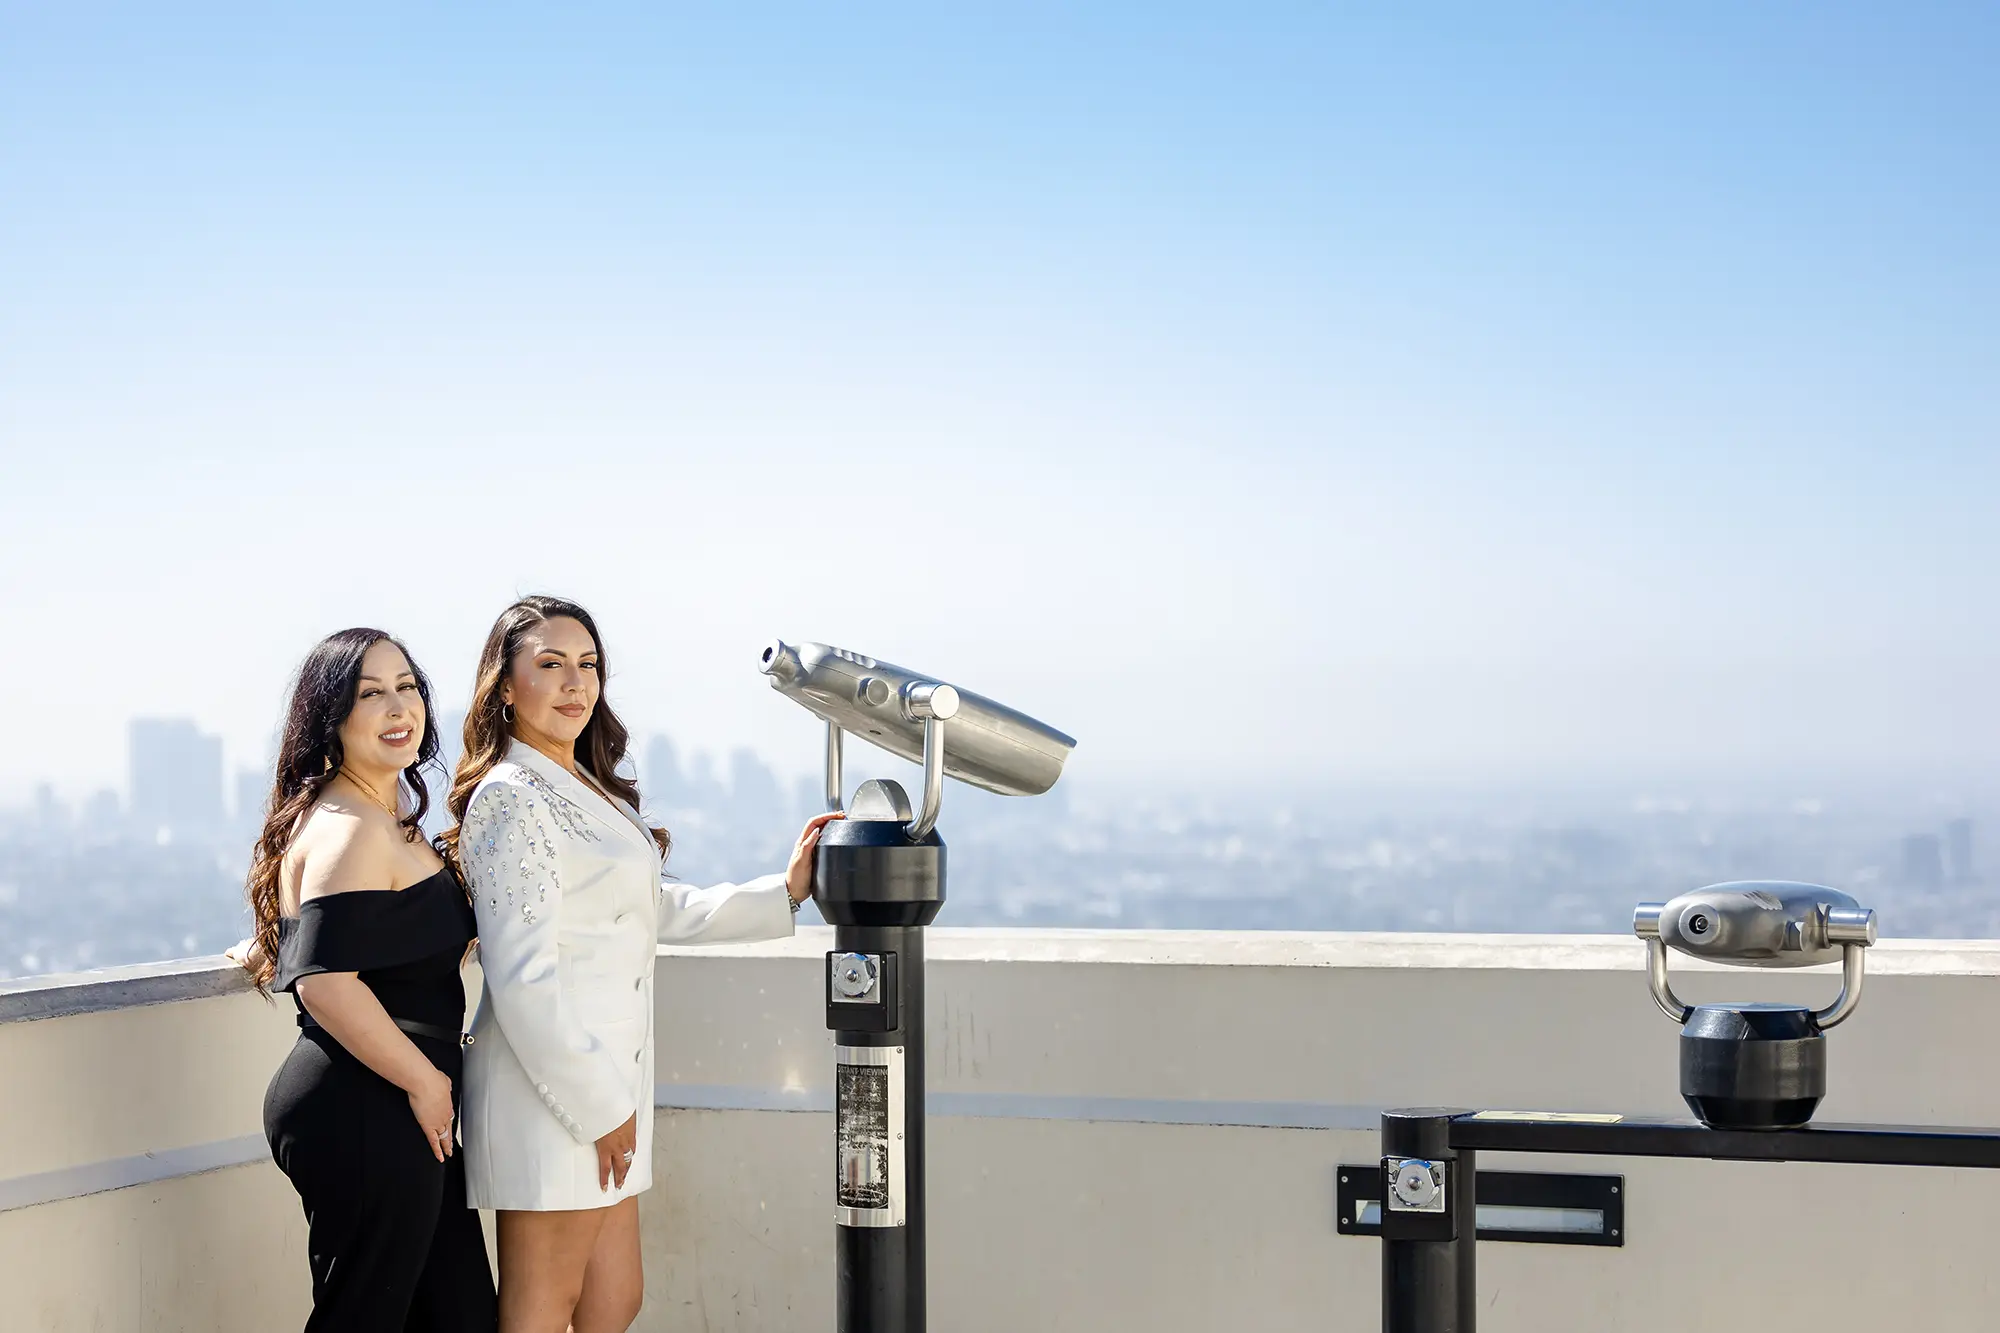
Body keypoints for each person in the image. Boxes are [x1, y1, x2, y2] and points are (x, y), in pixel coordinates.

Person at [441, 595, 836, 1333]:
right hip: (556, 1095)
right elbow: (521, 979)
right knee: (540, 1311)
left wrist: (780, 894)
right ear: (503, 685)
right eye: (550, 664)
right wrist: (599, 1105)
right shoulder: (509, 797)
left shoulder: (584, 784)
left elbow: (649, 907)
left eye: (587, 665)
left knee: (613, 1300)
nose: (574, 684)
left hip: (609, 1093)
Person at [237, 628, 498, 1332]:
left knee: (459, 1314)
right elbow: (324, 981)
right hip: (367, 1102)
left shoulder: (383, 818)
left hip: (396, 1103)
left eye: (407, 687)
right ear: (332, 716)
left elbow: (349, 934)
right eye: (370, 693)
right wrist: (425, 1081)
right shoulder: (350, 825)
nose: (396, 707)